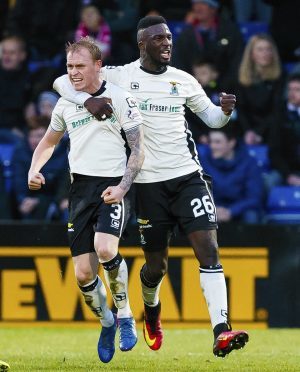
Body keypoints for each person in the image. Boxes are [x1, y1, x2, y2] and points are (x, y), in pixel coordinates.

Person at [53, 16, 249, 357]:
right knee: (156, 266)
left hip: (188, 177)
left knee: (209, 250)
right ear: (143, 44)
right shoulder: (121, 75)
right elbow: (62, 82)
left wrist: (226, 112)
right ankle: (152, 309)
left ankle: (221, 330)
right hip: (146, 185)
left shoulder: (183, 81)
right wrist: (87, 101)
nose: (167, 43)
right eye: (159, 39)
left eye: (169, 37)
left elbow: (213, 119)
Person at [28, 38, 144, 363]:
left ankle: (124, 315)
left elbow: (138, 149)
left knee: (106, 248)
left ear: (98, 66)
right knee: (82, 274)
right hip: (79, 189)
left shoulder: (121, 99)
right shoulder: (66, 104)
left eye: (80, 66)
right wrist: (34, 169)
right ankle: (106, 322)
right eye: (70, 67)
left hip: (113, 184)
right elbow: (48, 142)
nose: (74, 73)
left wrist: (123, 186)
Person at [173, 0, 244, 92]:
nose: (197, 8)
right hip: (192, 92)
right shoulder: (186, 34)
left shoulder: (230, 31)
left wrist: (219, 87)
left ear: (214, 9)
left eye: (203, 4)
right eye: (195, 4)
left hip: (225, 91)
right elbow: (179, 63)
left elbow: (236, 63)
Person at [201, 128, 263, 223]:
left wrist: (231, 211)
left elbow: (253, 198)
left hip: (240, 210)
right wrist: (213, 209)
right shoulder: (204, 162)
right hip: (212, 209)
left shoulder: (249, 163)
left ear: (231, 143)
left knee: (251, 214)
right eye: (211, 142)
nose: (212, 146)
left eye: (217, 142)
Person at [12, 121, 69, 220]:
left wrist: (40, 201)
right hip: (29, 203)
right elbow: (19, 182)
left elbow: (63, 187)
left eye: (39, 136)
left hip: (56, 201)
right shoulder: (22, 153)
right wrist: (23, 199)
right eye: (31, 136)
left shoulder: (65, 155)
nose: (34, 140)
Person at [237, 34, 285, 146]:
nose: (265, 53)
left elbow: (277, 110)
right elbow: (241, 108)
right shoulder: (241, 78)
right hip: (246, 129)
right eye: (260, 49)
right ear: (251, 54)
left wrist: (258, 132)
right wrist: (248, 131)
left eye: (269, 49)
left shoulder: (281, 77)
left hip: (272, 128)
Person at [270, 74, 300, 186]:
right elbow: (274, 152)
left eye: (297, 90)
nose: (292, 94)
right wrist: (288, 175)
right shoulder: (278, 114)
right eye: (290, 89)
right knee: (270, 182)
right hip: (286, 169)